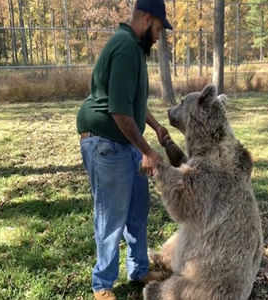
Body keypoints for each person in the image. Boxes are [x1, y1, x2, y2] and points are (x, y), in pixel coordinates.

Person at [76, 0, 173, 299]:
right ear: (145, 19)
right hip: (106, 143)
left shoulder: (133, 49)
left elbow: (134, 104)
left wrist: (156, 128)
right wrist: (147, 151)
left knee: (137, 211)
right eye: (157, 29)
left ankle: (138, 269)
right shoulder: (125, 48)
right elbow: (119, 111)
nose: (158, 37)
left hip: (125, 142)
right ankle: (102, 285)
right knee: (110, 217)